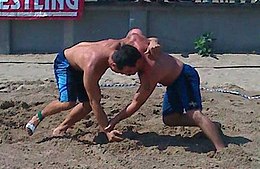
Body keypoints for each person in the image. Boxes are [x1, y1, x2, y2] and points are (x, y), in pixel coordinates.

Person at [25, 28, 154, 142]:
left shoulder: (122, 45)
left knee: (85, 105)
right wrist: (107, 130)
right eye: (127, 73)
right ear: (114, 66)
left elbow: (135, 31)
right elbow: (95, 102)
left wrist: (154, 42)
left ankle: (61, 128)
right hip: (66, 64)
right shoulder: (93, 66)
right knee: (68, 102)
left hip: (81, 63)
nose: (130, 75)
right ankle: (38, 117)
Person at [105, 44, 225, 151]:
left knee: (194, 113)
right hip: (173, 83)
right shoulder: (141, 48)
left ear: (136, 63)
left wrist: (115, 120)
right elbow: (139, 33)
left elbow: (136, 103)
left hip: (185, 76)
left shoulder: (150, 73)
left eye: (129, 71)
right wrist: (153, 41)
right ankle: (212, 126)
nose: (129, 75)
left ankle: (221, 148)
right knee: (170, 119)